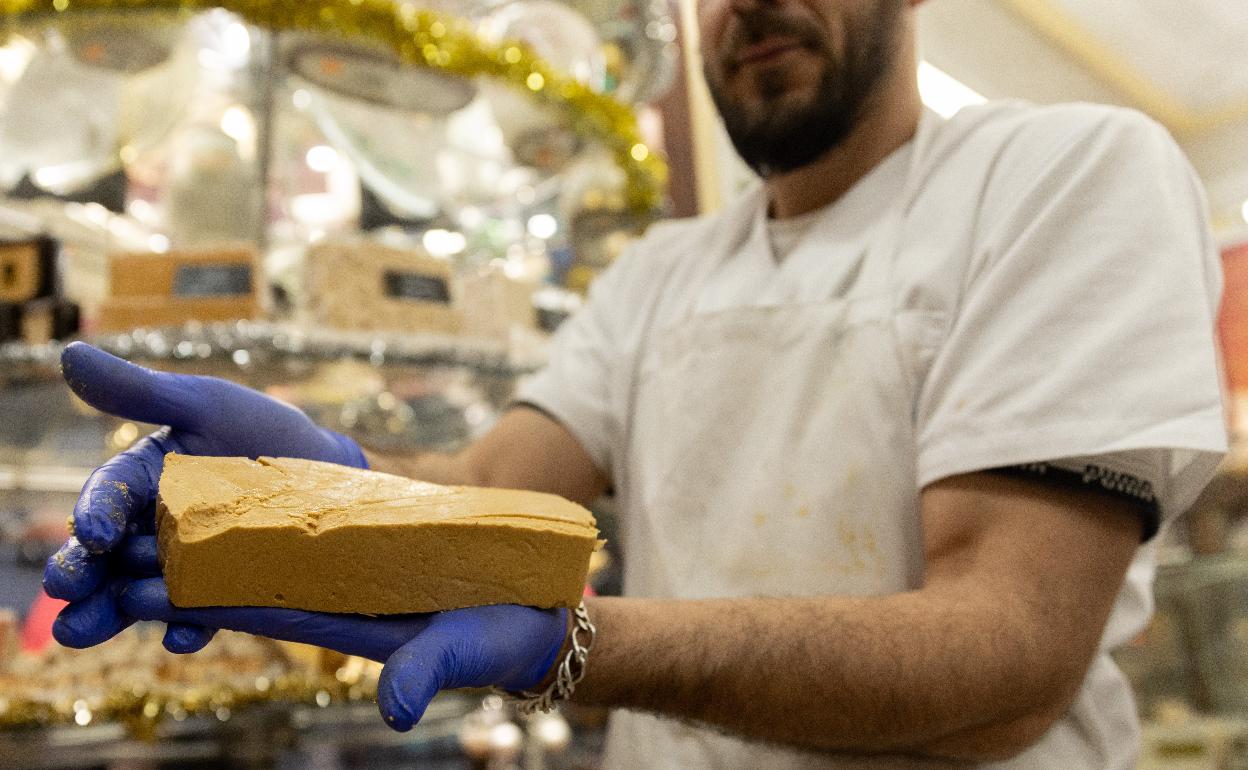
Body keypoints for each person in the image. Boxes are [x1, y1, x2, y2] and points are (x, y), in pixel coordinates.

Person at [43, 0, 1227, 767]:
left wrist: (577, 643)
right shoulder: (668, 266)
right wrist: (311, 481)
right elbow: (491, 483)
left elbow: (1007, 657)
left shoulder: (1067, 174)